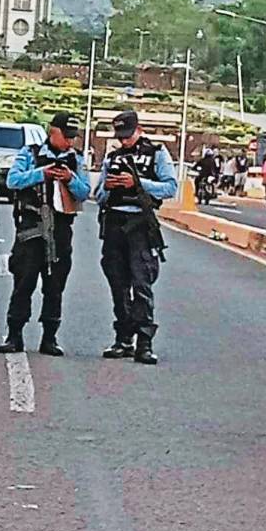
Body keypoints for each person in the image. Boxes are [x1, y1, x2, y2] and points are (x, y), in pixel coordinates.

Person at [0, 113, 91, 355]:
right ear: (53, 131)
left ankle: (50, 338)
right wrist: (42, 173)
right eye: (66, 136)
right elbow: (13, 181)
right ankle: (14, 335)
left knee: (55, 286)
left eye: (73, 137)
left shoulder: (76, 159)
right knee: (23, 283)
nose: (69, 142)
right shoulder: (30, 153)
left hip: (60, 229)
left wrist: (70, 178)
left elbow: (85, 192)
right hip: (31, 227)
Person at [96, 111, 178, 365]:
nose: (124, 141)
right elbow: (98, 195)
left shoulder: (157, 153)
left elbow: (170, 187)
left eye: (128, 136)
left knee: (142, 284)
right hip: (114, 222)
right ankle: (123, 339)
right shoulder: (112, 158)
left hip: (140, 223)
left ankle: (144, 343)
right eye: (120, 137)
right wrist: (108, 187)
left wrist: (137, 183)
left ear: (139, 130)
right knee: (117, 283)